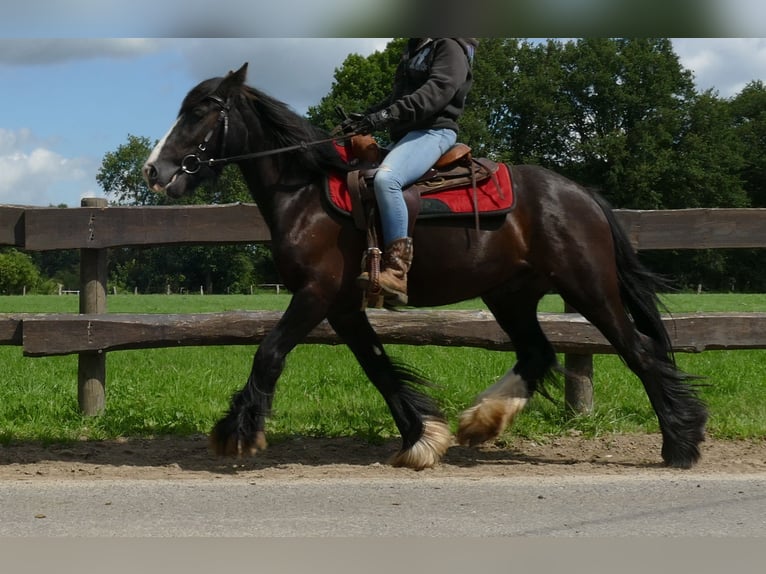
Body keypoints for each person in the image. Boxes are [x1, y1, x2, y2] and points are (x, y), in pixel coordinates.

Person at [344, 38, 477, 305]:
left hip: (434, 132)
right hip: (404, 136)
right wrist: (366, 117)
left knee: (387, 180)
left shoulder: (449, 46)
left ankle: (397, 271)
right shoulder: (413, 50)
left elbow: (438, 90)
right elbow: (397, 99)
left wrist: (385, 117)